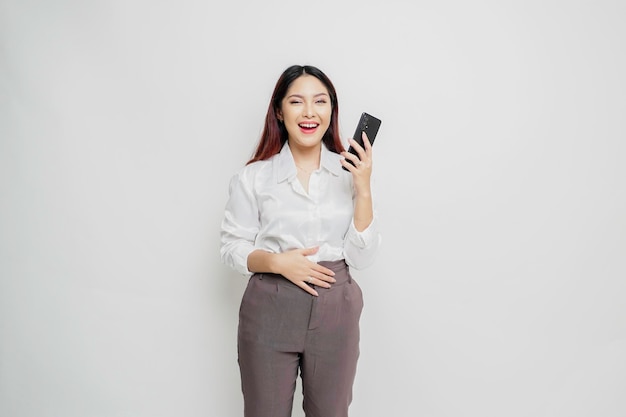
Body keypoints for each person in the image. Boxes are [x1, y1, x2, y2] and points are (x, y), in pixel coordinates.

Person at [220, 64, 381, 417]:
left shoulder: (349, 173)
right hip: (270, 305)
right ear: (279, 110)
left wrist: (363, 187)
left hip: (335, 306)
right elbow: (232, 247)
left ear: (331, 110)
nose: (309, 112)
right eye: (297, 102)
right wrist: (277, 262)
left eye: (320, 102)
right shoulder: (254, 177)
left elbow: (362, 257)